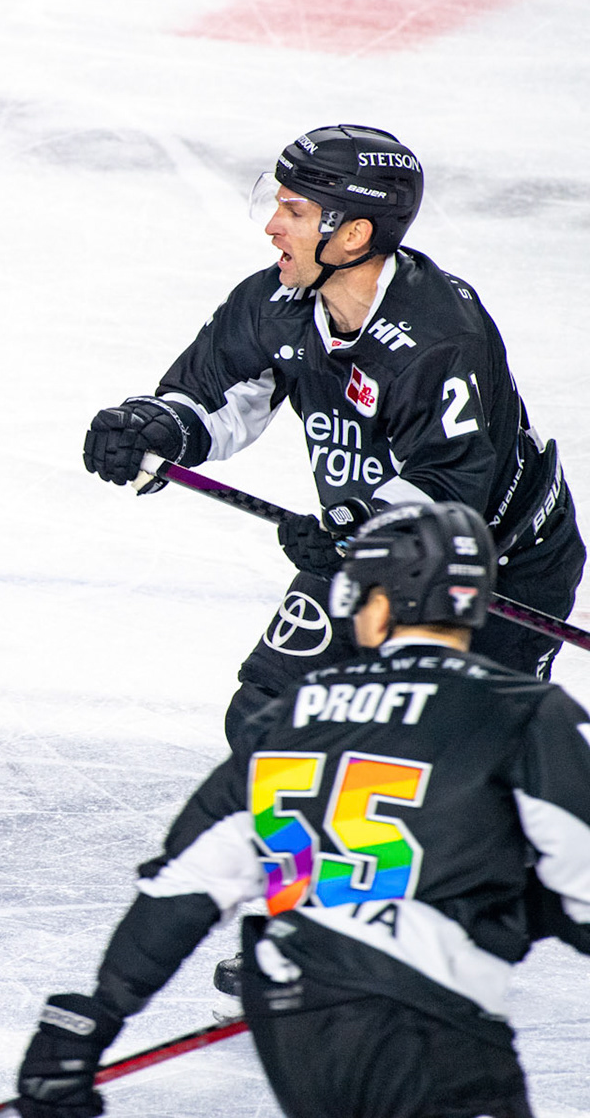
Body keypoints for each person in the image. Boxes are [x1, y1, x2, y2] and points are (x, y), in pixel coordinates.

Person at [13, 502, 590, 1118]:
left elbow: (189, 882)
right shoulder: (522, 710)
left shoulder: (294, 709)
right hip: (433, 1028)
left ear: (382, 598)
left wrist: (94, 1019)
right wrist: (511, 909)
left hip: (294, 1025)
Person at [83, 124, 583, 746]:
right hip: (359, 539)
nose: (272, 226)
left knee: (458, 764)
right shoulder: (274, 301)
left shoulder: (443, 334)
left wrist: (357, 528)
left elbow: (452, 486)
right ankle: (301, 851)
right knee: (271, 720)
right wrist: (154, 428)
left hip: (499, 564)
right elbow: (218, 397)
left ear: (353, 233)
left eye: (294, 210)